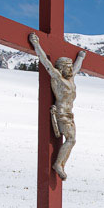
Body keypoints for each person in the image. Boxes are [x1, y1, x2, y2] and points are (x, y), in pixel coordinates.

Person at [28, 32, 83, 180]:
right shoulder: (58, 78)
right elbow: (45, 62)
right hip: (61, 113)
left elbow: (77, 68)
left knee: (72, 140)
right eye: (67, 67)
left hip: (69, 114)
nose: (71, 70)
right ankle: (58, 164)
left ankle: (60, 163)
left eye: (71, 67)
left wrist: (80, 58)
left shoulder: (70, 79)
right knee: (71, 139)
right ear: (61, 68)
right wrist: (36, 44)